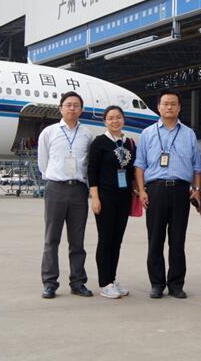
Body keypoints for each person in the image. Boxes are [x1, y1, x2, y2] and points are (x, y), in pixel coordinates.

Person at [134, 89, 201, 299]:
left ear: (179, 107)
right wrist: (142, 191)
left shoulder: (188, 134)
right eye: (165, 103)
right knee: (155, 240)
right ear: (158, 107)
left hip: (181, 191)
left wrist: (197, 190)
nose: (169, 107)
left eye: (173, 103)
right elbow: (140, 164)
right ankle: (157, 283)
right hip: (155, 190)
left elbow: (197, 166)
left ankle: (176, 284)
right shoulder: (147, 133)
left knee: (177, 240)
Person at [38, 91, 94, 299]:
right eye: (68, 105)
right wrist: (54, 178)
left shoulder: (87, 134)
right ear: (60, 108)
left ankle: (78, 282)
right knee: (51, 239)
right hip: (56, 189)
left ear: (81, 110)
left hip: (79, 190)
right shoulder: (49, 132)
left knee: (77, 240)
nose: (72, 108)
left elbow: (88, 164)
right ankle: (50, 283)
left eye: (76, 105)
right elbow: (43, 162)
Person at [88, 105, 135, 299]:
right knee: (106, 239)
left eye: (118, 117)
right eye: (110, 118)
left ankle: (112, 279)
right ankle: (104, 282)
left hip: (124, 198)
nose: (115, 121)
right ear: (105, 121)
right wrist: (95, 197)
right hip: (105, 197)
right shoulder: (99, 142)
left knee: (117, 240)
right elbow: (92, 170)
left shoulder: (129, 142)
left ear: (124, 119)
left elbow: (132, 171)